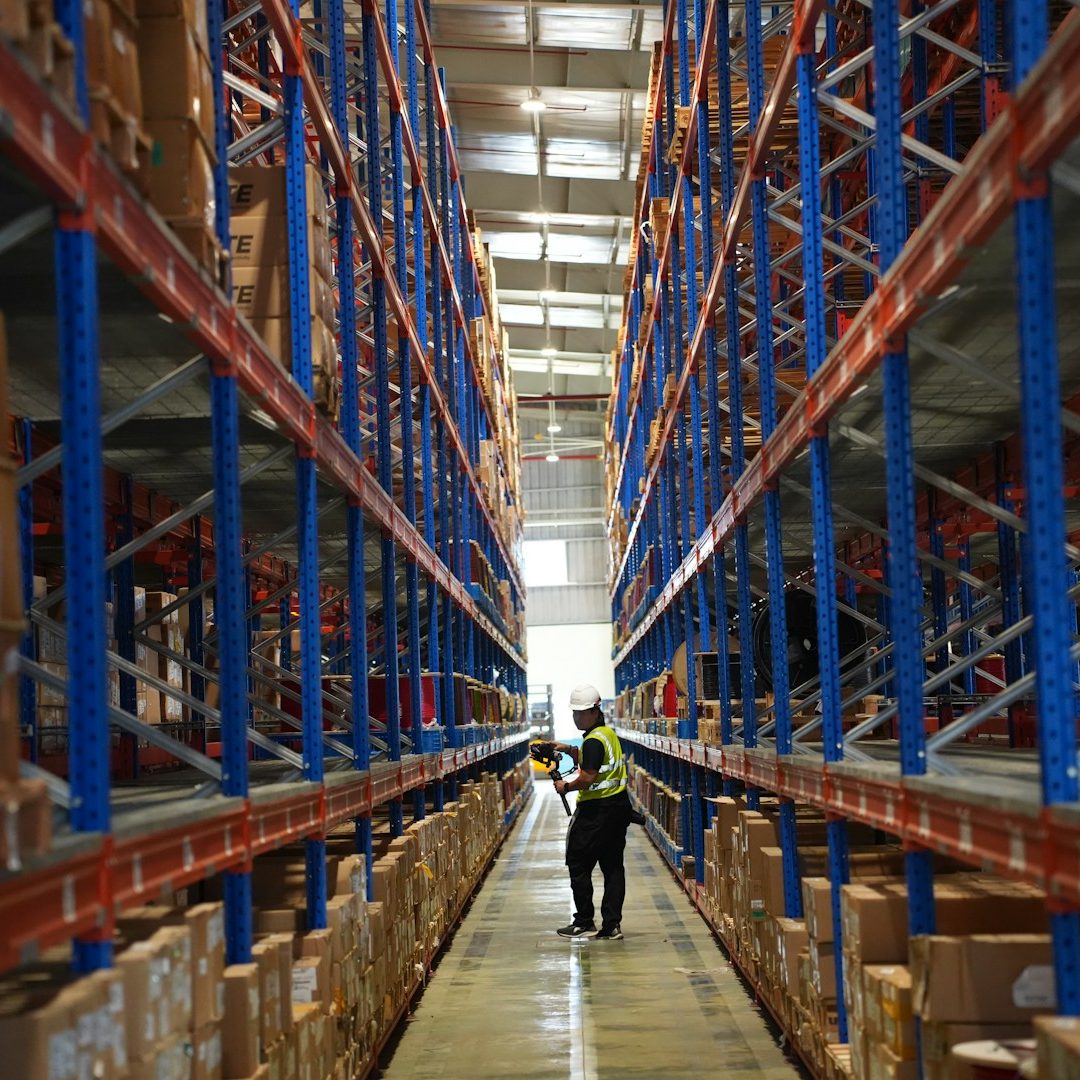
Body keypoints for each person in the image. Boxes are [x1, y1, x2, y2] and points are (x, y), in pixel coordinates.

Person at [552, 684, 632, 940]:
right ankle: (612, 925)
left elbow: (588, 777)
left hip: (596, 812)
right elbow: (596, 761)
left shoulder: (594, 740)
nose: (577, 717)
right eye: (574, 713)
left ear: (595, 711)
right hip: (618, 808)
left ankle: (584, 921)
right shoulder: (606, 734)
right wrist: (569, 749)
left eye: (581, 713)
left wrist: (566, 786)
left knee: (577, 862)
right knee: (612, 866)